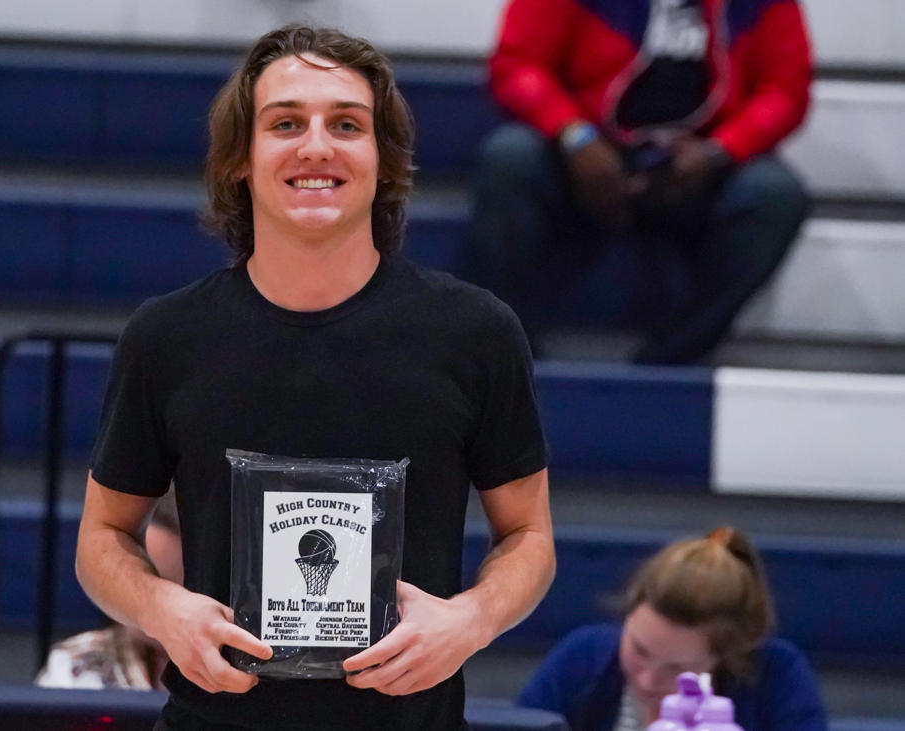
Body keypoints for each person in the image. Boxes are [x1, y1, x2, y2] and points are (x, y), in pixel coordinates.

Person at [75, 24, 556, 731]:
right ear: (240, 160)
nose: (317, 146)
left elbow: (529, 535)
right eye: (286, 123)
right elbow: (102, 536)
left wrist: (471, 619)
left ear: (384, 162)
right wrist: (160, 607)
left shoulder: (474, 332)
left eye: (347, 124)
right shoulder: (167, 336)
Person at [471, 0, 814, 363]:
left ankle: (669, 361)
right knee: (510, 157)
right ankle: (504, 361)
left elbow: (786, 89)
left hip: (700, 160)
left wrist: (719, 151)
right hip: (583, 150)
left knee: (775, 194)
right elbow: (516, 64)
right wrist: (575, 136)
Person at [518, 527, 827, 731]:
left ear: (725, 655)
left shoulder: (776, 678)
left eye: (677, 668)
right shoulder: (583, 658)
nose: (648, 680)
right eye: (639, 650)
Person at [37, 493, 183, 690]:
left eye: (170, 587)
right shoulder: (75, 667)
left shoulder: (227, 671)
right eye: (136, 581)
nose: (145, 598)